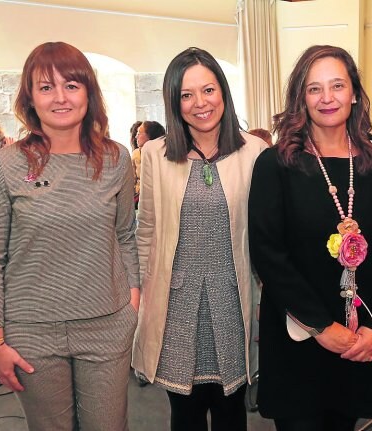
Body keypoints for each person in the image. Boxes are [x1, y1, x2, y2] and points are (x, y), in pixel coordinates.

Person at [248, 45, 372, 431]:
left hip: (363, 341)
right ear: (300, 98)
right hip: (299, 342)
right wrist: (322, 327)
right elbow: (269, 253)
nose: (327, 98)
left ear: (354, 93)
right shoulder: (276, 165)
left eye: (337, 85)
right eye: (314, 88)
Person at [0, 41, 139, 431]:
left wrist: (132, 300)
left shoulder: (117, 160)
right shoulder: (3, 166)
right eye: (45, 87)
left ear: (88, 92)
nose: (60, 97)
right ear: (30, 98)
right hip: (31, 333)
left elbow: (125, 237)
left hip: (106, 325)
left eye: (71, 85)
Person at [132, 47, 267, 431]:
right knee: (185, 413)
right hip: (176, 303)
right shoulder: (156, 154)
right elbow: (147, 231)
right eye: (186, 95)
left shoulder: (255, 151)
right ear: (174, 103)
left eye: (208, 90)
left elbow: (262, 235)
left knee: (230, 411)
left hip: (232, 299)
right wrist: (141, 297)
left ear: (223, 91)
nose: (199, 103)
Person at [132, 120, 165, 209]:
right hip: (140, 200)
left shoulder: (166, 155)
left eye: (139, 133)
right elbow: (132, 180)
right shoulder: (136, 154)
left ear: (150, 135)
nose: (136, 137)